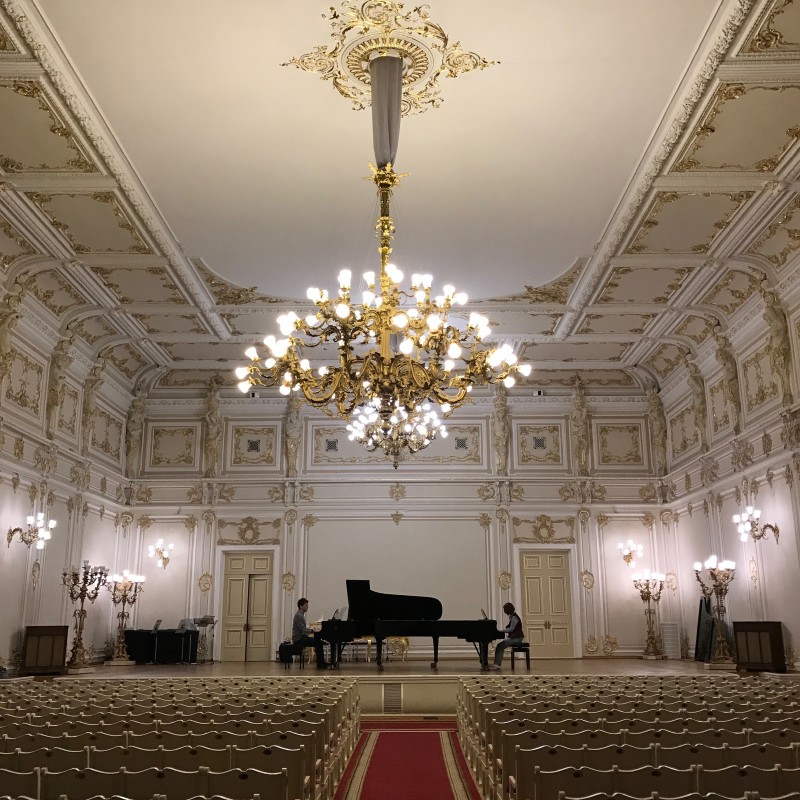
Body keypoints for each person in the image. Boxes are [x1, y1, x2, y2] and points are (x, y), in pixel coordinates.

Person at [292, 597, 328, 669]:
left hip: (302, 637)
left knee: (318, 641)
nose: (307, 606)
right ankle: (321, 664)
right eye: (305, 605)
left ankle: (321, 663)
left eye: (307, 605)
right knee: (318, 642)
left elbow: (303, 628)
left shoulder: (300, 615)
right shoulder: (299, 616)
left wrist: (311, 630)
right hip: (299, 639)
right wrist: (312, 630)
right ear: (301, 606)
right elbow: (302, 629)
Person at [490, 602, 524, 670]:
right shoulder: (513, 616)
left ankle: (497, 664)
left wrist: (501, 631)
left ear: (508, 610)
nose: (504, 611)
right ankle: (496, 663)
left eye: (505, 610)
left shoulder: (514, 617)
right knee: (500, 646)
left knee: (500, 646)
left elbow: (511, 629)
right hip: (516, 637)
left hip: (517, 638)